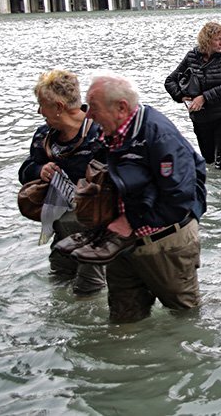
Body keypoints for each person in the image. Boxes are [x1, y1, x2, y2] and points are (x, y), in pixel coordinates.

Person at [80, 74, 207, 323]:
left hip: (165, 243)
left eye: (93, 108)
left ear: (121, 108)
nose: (88, 116)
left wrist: (132, 222)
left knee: (184, 318)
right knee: (122, 319)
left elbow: (180, 198)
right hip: (123, 242)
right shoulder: (109, 133)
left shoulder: (159, 136)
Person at [18, 69, 106, 296]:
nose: (39, 111)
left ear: (58, 107)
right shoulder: (43, 136)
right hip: (62, 229)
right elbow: (25, 172)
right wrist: (40, 169)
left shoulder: (100, 133)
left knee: (89, 291)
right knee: (59, 280)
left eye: (42, 105)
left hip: (96, 233)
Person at [165, 21, 221, 170]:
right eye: (218, 39)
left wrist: (204, 97)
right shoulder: (192, 56)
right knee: (209, 162)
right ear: (207, 41)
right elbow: (169, 81)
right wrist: (181, 96)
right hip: (201, 118)